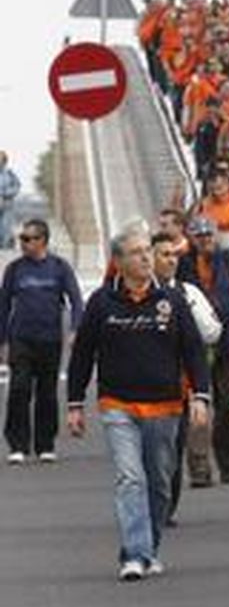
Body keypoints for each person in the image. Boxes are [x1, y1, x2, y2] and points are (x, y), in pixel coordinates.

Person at [65, 223, 211, 580]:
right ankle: (134, 554)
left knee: (160, 484)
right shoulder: (102, 302)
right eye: (137, 252)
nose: (146, 257)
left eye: (148, 250)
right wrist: (74, 404)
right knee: (130, 478)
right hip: (118, 406)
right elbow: (83, 353)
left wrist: (201, 397)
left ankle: (150, 547)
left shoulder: (172, 300)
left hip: (165, 407)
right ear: (118, 261)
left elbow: (193, 350)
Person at [177, 215, 229, 487]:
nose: (205, 241)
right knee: (198, 406)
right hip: (194, 348)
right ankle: (199, 469)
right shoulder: (183, 266)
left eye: (209, 235)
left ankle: (227, 462)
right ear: (192, 239)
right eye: (199, 236)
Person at [150, 230, 221, 525]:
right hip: (137, 391)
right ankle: (147, 507)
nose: (170, 261)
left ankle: (165, 508)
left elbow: (212, 333)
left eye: (173, 255)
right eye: (163, 255)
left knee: (172, 453)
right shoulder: (130, 294)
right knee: (144, 457)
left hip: (177, 388)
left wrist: (189, 312)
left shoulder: (188, 293)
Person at [2, 220, 83, 464]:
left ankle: (45, 444)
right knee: (19, 388)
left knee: (46, 392)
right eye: (22, 239)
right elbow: (3, 305)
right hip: (21, 339)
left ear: (42, 241)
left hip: (49, 339)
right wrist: (2, 340)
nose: (24, 244)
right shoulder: (15, 269)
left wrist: (75, 329)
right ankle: (18, 444)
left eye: (28, 239)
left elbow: (76, 300)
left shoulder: (59, 268)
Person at [0, 150, 21, 249]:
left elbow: (17, 186)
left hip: (6, 204)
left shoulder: (9, 173)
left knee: (5, 226)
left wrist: (6, 193)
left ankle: (5, 244)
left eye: (1, 159)